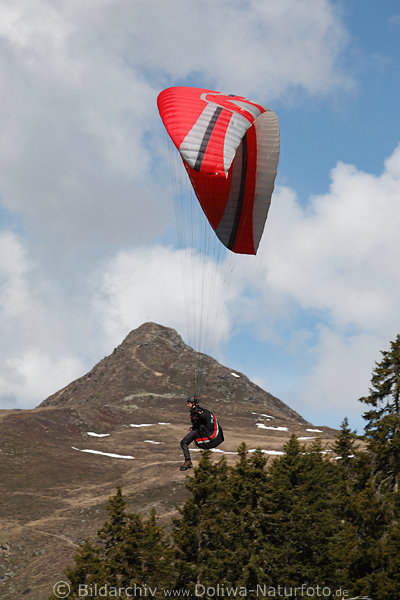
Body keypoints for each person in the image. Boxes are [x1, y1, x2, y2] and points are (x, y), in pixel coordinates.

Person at [179, 395, 224, 471]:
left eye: (189, 403)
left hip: (199, 431)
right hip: (197, 430)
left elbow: (205, 418)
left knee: (183, 442)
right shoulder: (195, 411)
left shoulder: (198, 411)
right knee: (183, 443)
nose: (187, 405)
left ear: (193, 403)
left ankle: (188, 461)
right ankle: (188, 462)